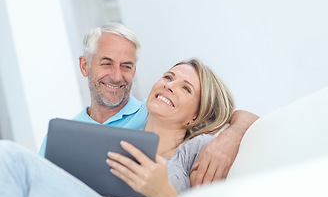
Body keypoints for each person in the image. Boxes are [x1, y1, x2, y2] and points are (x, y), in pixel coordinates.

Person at [1, 59, 248, 197]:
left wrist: (161, 191)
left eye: (186, 88)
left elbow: (248, 119)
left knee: (10, 157)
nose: (169, 85)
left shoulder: (196, 149)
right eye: (168, 77)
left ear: (196, 116)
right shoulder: (118, 141)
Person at [38, 23, 259, 185]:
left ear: (134, 71)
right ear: (85, 66)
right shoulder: (62, 137)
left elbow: (244, 117)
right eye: (107, 64)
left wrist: (228, 138)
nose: (116, 76)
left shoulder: (153, 110)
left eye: (126, 66)